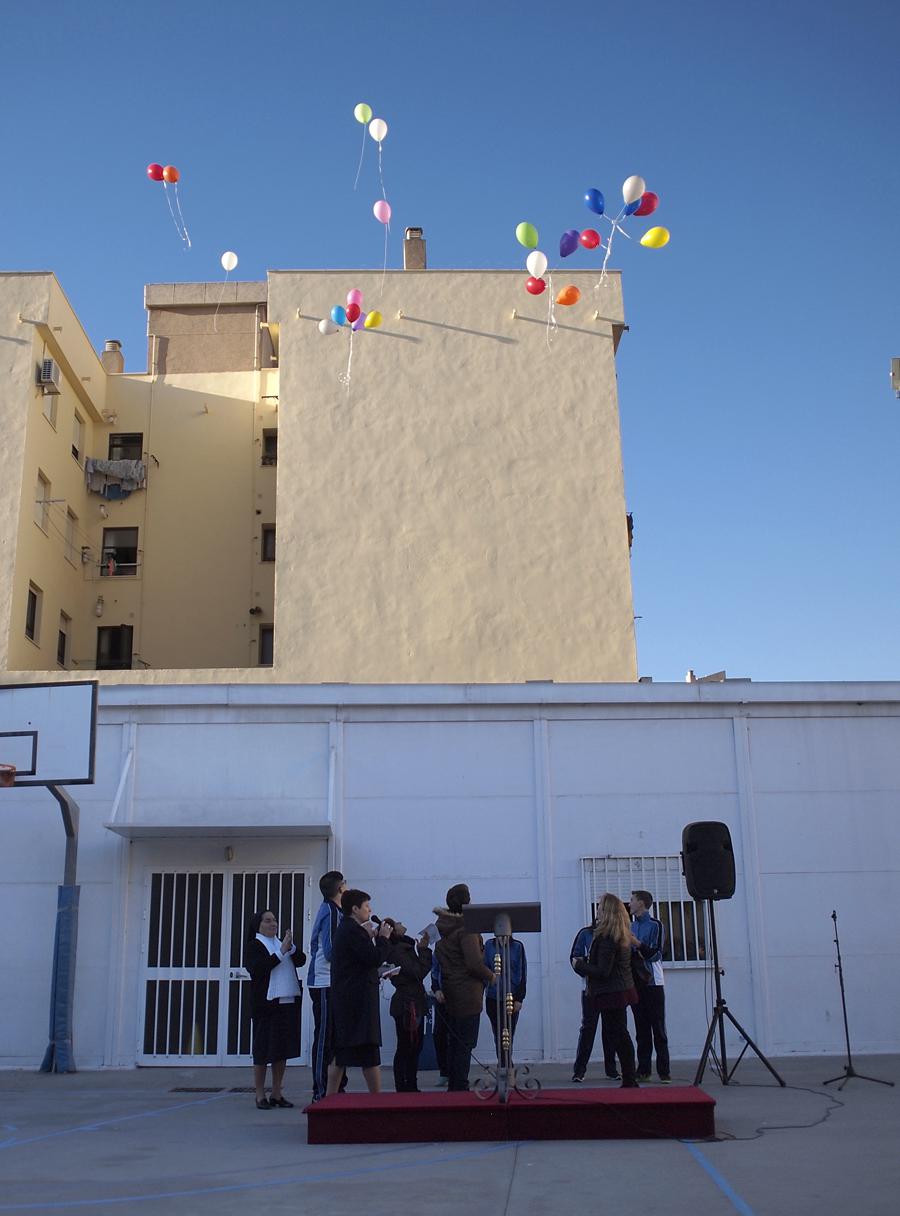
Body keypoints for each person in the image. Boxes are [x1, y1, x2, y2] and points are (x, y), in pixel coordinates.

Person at [327, 889, 392, 1094]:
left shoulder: (350, 930)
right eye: (366, 906)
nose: (369, 910)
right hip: (357, 1003)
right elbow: (373, 957)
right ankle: (376, 1099)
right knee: (367, 1052)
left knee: (344, 1054)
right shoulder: (352, 931)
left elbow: (361, 963)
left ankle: (329, 1097)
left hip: (351, 1000)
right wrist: (383, 938)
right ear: (355, 909)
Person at [571, 893, 639, 1088]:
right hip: (619, 989)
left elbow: (603, 970)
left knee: (618, 1035)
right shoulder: (620, 933)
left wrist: (580, 965)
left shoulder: (608, 937)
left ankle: (629, 1078)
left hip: (611, 992)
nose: (597, 909)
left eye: (600, 906)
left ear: (606, 911)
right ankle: (628, 1076)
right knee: (618, 1034)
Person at [433, 883, 496, 1092]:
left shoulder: (444, 929)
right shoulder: (466, 930)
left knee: (456, 1042)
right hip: (468, 994)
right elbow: (474, 963)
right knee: (465, 1043)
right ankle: (459, 1086)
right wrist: (491, 976)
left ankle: (455, 1082)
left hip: (451, 990)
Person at [245, 909, 306, 1109]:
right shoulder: (255, 945)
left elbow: (301, 960)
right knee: (263, 1050)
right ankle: (260, 1094)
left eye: (275, 920)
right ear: (259, 925)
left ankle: (277, 1092)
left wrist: (291, 948)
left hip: (286, 1001)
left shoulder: (282, 944)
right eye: (268, 921)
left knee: (282, 1050)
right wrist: (281, 952)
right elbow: (258, 969)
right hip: (266, 1004)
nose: (274, 924)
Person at [307, 870, 346, 1101]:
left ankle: (335, 1087)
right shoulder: (331, 912)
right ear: (340, 888)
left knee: (336, 1038)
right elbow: (330, 951)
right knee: (324, 1037)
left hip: (333, 981)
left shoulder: (335, 911)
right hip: (323, 981)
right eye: (345, 884)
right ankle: (320, 1091)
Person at [383, 917, 433, 1092]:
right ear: (394, 932)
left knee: (414, 1045)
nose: (402, 923)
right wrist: (424, 951)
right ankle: (404, 1086)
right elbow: (417, 972)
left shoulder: (405, 947)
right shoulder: (398, 951)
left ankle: (410, 1084)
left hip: (413, 1001)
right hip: (407, 1004)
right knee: (406, 1046)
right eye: (397, 923)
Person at [570, 922, 622, 1081]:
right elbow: (575, 958)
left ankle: (611, 1070)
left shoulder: (614, 934)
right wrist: (586, 972)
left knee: (610, 1028)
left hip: (608, 989)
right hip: (590, 989)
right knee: (588, 1027)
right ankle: (579, 1071)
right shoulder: (585, 933)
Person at [629, 889, 671, 1083]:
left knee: (658, 1027)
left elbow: (655, 954)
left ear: (641, 903)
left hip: (653, 982)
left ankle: (664, 1070)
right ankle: (643, 1069)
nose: (629, 903)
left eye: (632, 900)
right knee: (641, 1028)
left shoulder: (656, 925)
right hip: (635, 982)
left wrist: (638, 945)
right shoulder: (630, 926)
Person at [483, 934, 526, 1060]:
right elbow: (484, 967)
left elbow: (522, 973)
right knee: (498, 1032)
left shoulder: (517, 947)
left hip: (511, 996)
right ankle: (503, 1062)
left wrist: (519, 998)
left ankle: (506, 1062)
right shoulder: (489, 945)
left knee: (509, 1032)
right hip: (493, 996)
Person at [430, 951, 450, 1087]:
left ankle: (457, 1071)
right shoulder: (439, 949)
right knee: (439, 1035)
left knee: (457, 1037)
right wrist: (436, 989)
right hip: (441, 997)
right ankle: (444, 1071)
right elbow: (434, 971)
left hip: (459, 996)